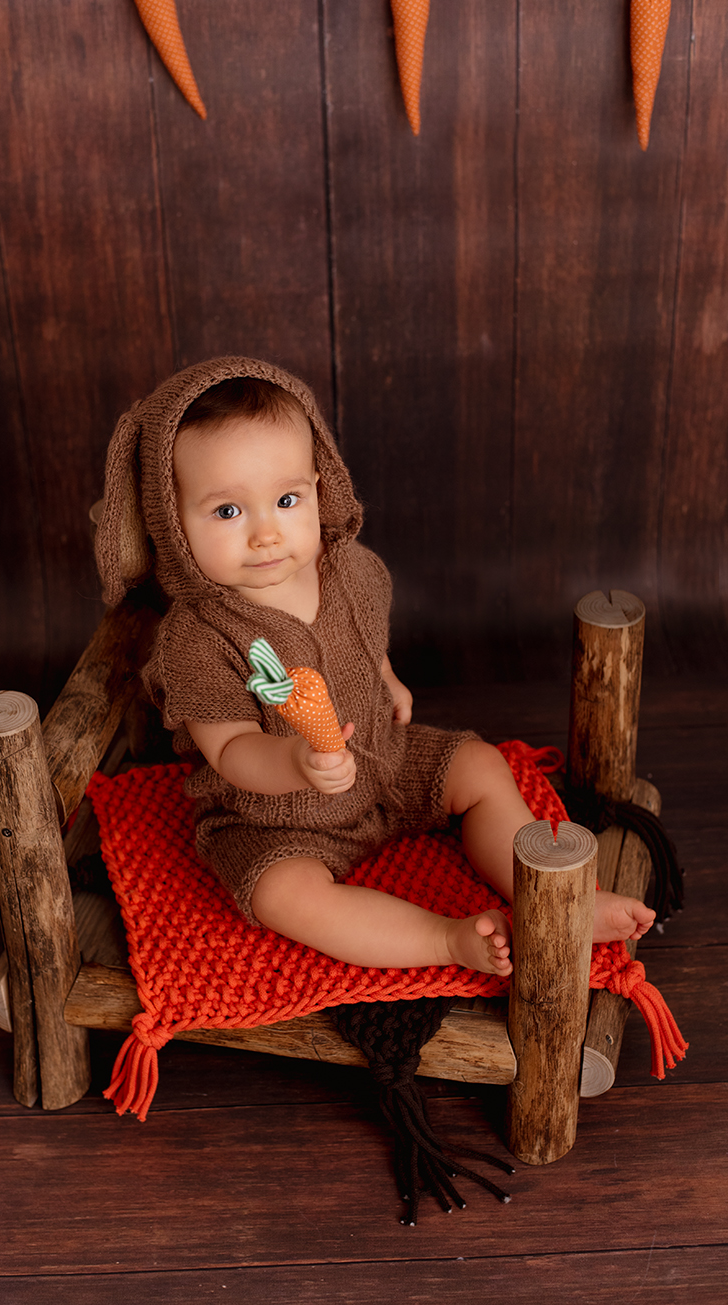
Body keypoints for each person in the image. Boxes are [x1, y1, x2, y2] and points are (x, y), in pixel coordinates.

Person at [95, 357, 655, 976]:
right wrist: (296, 762)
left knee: (479, 766)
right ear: (173, 523)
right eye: (228, 511)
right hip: (275, 818)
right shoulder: (198, 639)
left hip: (385, 760)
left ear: (318, 487)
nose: (265, 534)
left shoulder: (351, 570)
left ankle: (554, 897)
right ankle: (447, 939)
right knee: (282, 895)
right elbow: (228, 749)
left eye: (286, 499)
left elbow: (365, 639)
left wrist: (386, 678)